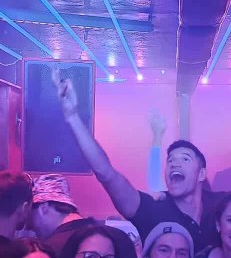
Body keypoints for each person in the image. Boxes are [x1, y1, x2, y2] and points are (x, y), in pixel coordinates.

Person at [54, 68, 221, 248]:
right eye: (170, 160)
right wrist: (72, 117)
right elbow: (107, 174)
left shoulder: (220, 208)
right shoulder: (154, 210)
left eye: (185, 159)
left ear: (201, 174)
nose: (174, 163)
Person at [28, 173, 98, 256]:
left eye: (31, 214)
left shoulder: (52, 248)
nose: (31, 227)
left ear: (44, 208)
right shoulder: (99, 232)